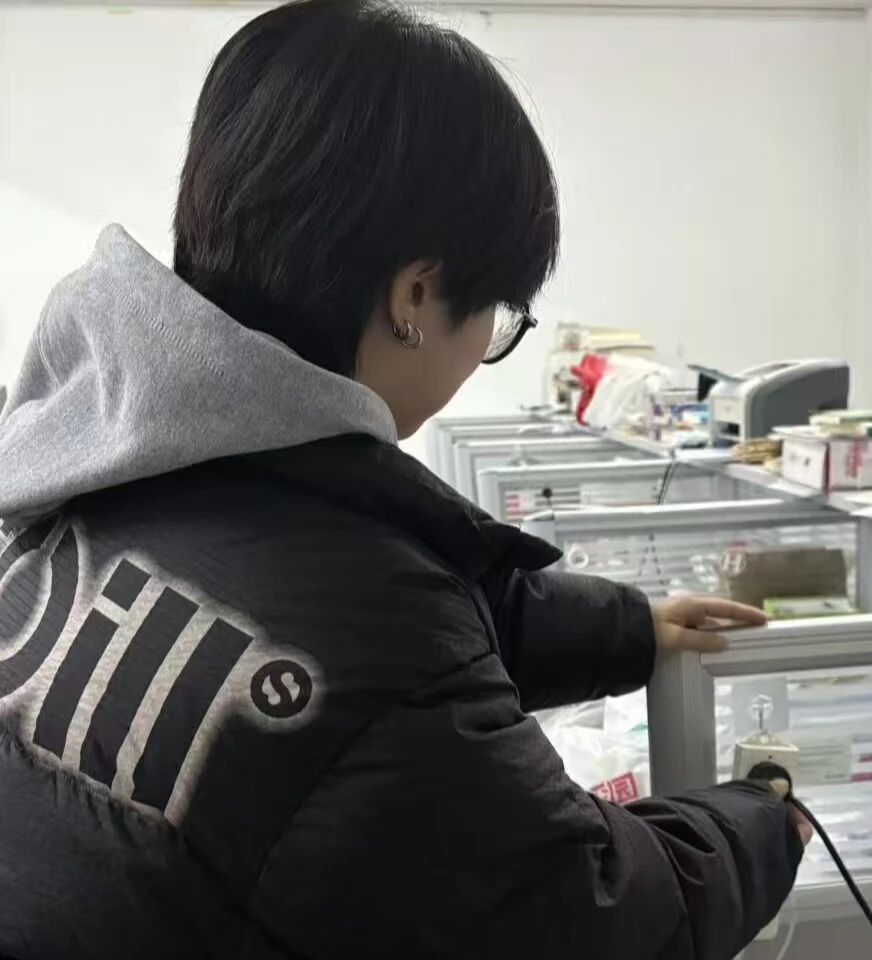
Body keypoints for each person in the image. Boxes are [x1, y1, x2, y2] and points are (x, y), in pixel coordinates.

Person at [0, 2, 809, 957]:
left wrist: (628, 627)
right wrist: (765, 817)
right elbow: (592, 918)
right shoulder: (368, 622)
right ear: (416, 296)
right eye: (500, 315)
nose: (486, 345)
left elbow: (342, 675)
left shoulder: (93, 470)